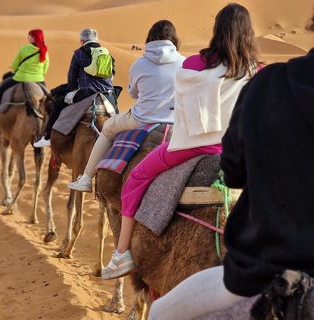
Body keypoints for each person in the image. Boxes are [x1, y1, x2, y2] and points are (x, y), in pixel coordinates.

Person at [147, 36, 314, 320]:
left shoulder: (269, 81)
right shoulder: (254, 72)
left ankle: (120, 245)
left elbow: (234, 170)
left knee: (159, 313)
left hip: (263, 268)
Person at [101, 3, 263, 281]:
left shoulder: (194, 64)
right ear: (249, 34)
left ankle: (122, 254)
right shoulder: (257, 72)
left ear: (217, 31)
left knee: (135, 178)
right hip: (240, 151)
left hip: (192, 146)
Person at [68, 20, 185, 193]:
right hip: (175, 122)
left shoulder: (140, 63)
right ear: (174, 39)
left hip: (141, 119)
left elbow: (133, 93)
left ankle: (86, 178)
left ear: (150, 39)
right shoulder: (184, 62)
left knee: (107, 128)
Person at [33, 28, 117, 148]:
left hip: (86, 94)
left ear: (82, 41)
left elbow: (72, 77)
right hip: (108, 95)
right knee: (116, 116)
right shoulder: (107, 54)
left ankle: (48, 138)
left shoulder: (79, 53)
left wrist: (72, 90)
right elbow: (112, 75)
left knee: (57, 105)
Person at [0, 29, 49, 124]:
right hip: (38, 79)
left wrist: (17, 69)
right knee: (49, 98)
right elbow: (45, 69)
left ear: (34, 38)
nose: (28, 38)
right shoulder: (45, 51)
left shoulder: (24, 49)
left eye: (29, 36)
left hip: (21, 78)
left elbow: (15, 65)